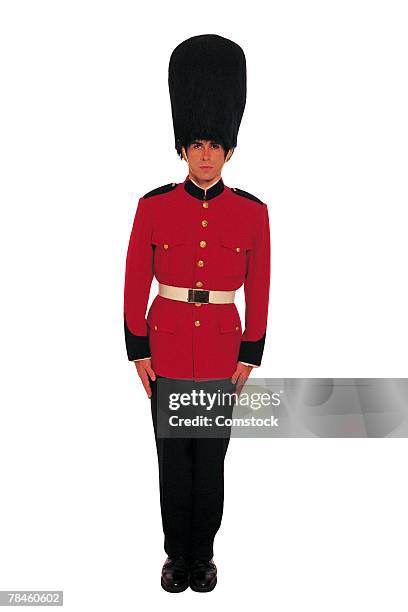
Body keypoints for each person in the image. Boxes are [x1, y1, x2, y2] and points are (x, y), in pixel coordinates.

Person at [123, 34, 270, 592]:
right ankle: (173, 555)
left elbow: (260, 284)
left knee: (210, 465)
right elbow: (137, 278)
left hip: (219, 354)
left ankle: (203, 555)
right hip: (164, 348)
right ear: (183, 149)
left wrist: (249, 353)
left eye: (215, 144)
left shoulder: (253, 213)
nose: (205, 153)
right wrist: (138, 349)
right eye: (196, 144)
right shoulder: (153, 206)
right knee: (171, 463)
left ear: (229, 151)